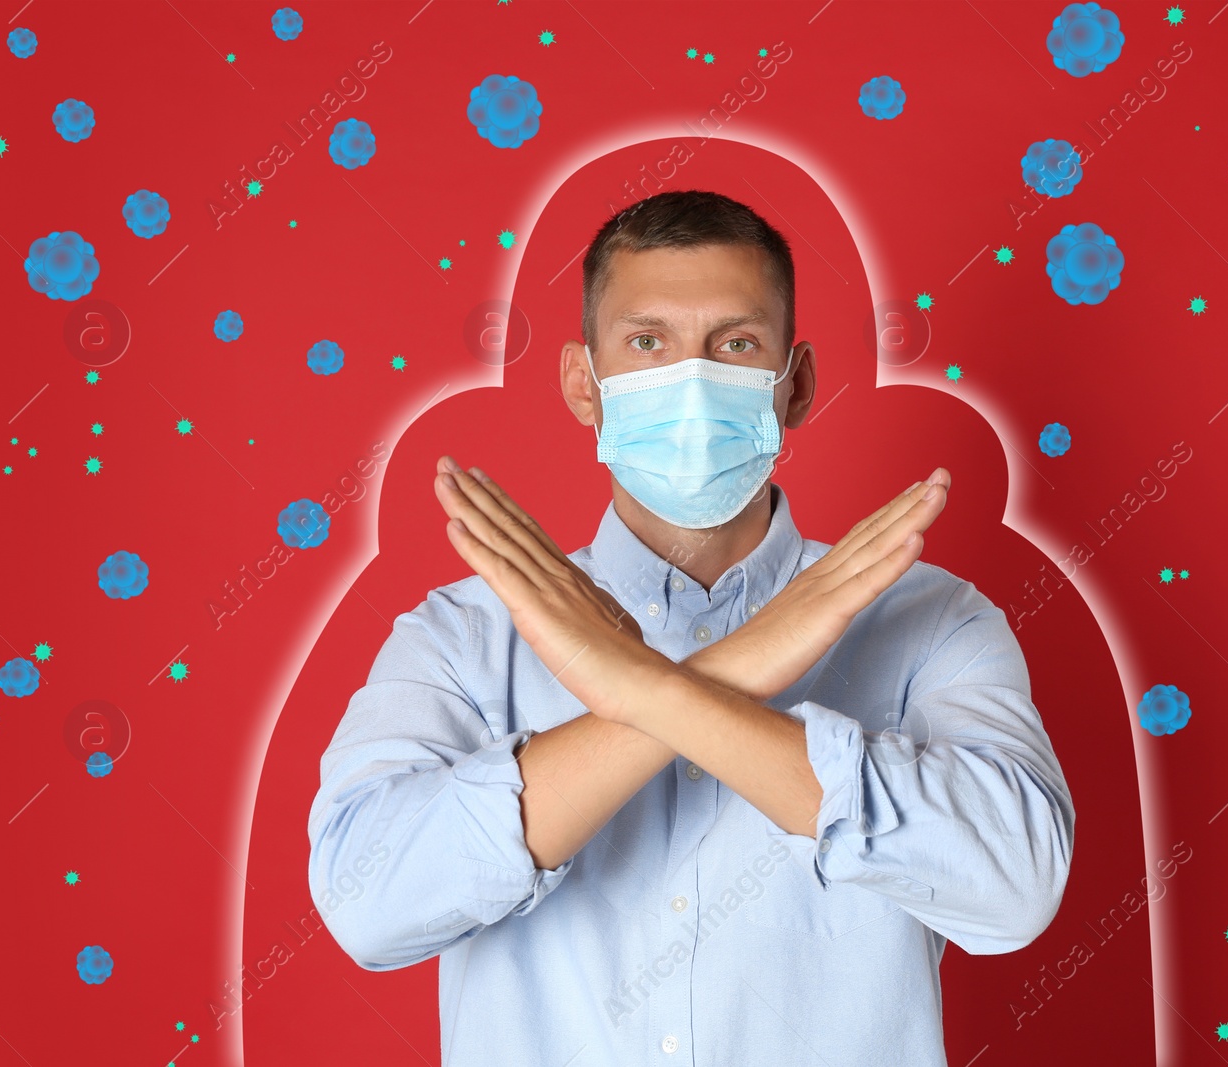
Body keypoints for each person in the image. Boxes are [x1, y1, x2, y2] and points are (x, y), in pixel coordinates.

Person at [308, 189, 1075, 1066]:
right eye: (647, 342)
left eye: (736, 344)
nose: (692, 375)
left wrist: (646, 688)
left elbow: (1013, 888)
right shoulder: (459, 636)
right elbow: (368, 904)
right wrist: (734, 672)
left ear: (797, 386)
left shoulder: (932, 618)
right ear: (581, 384)